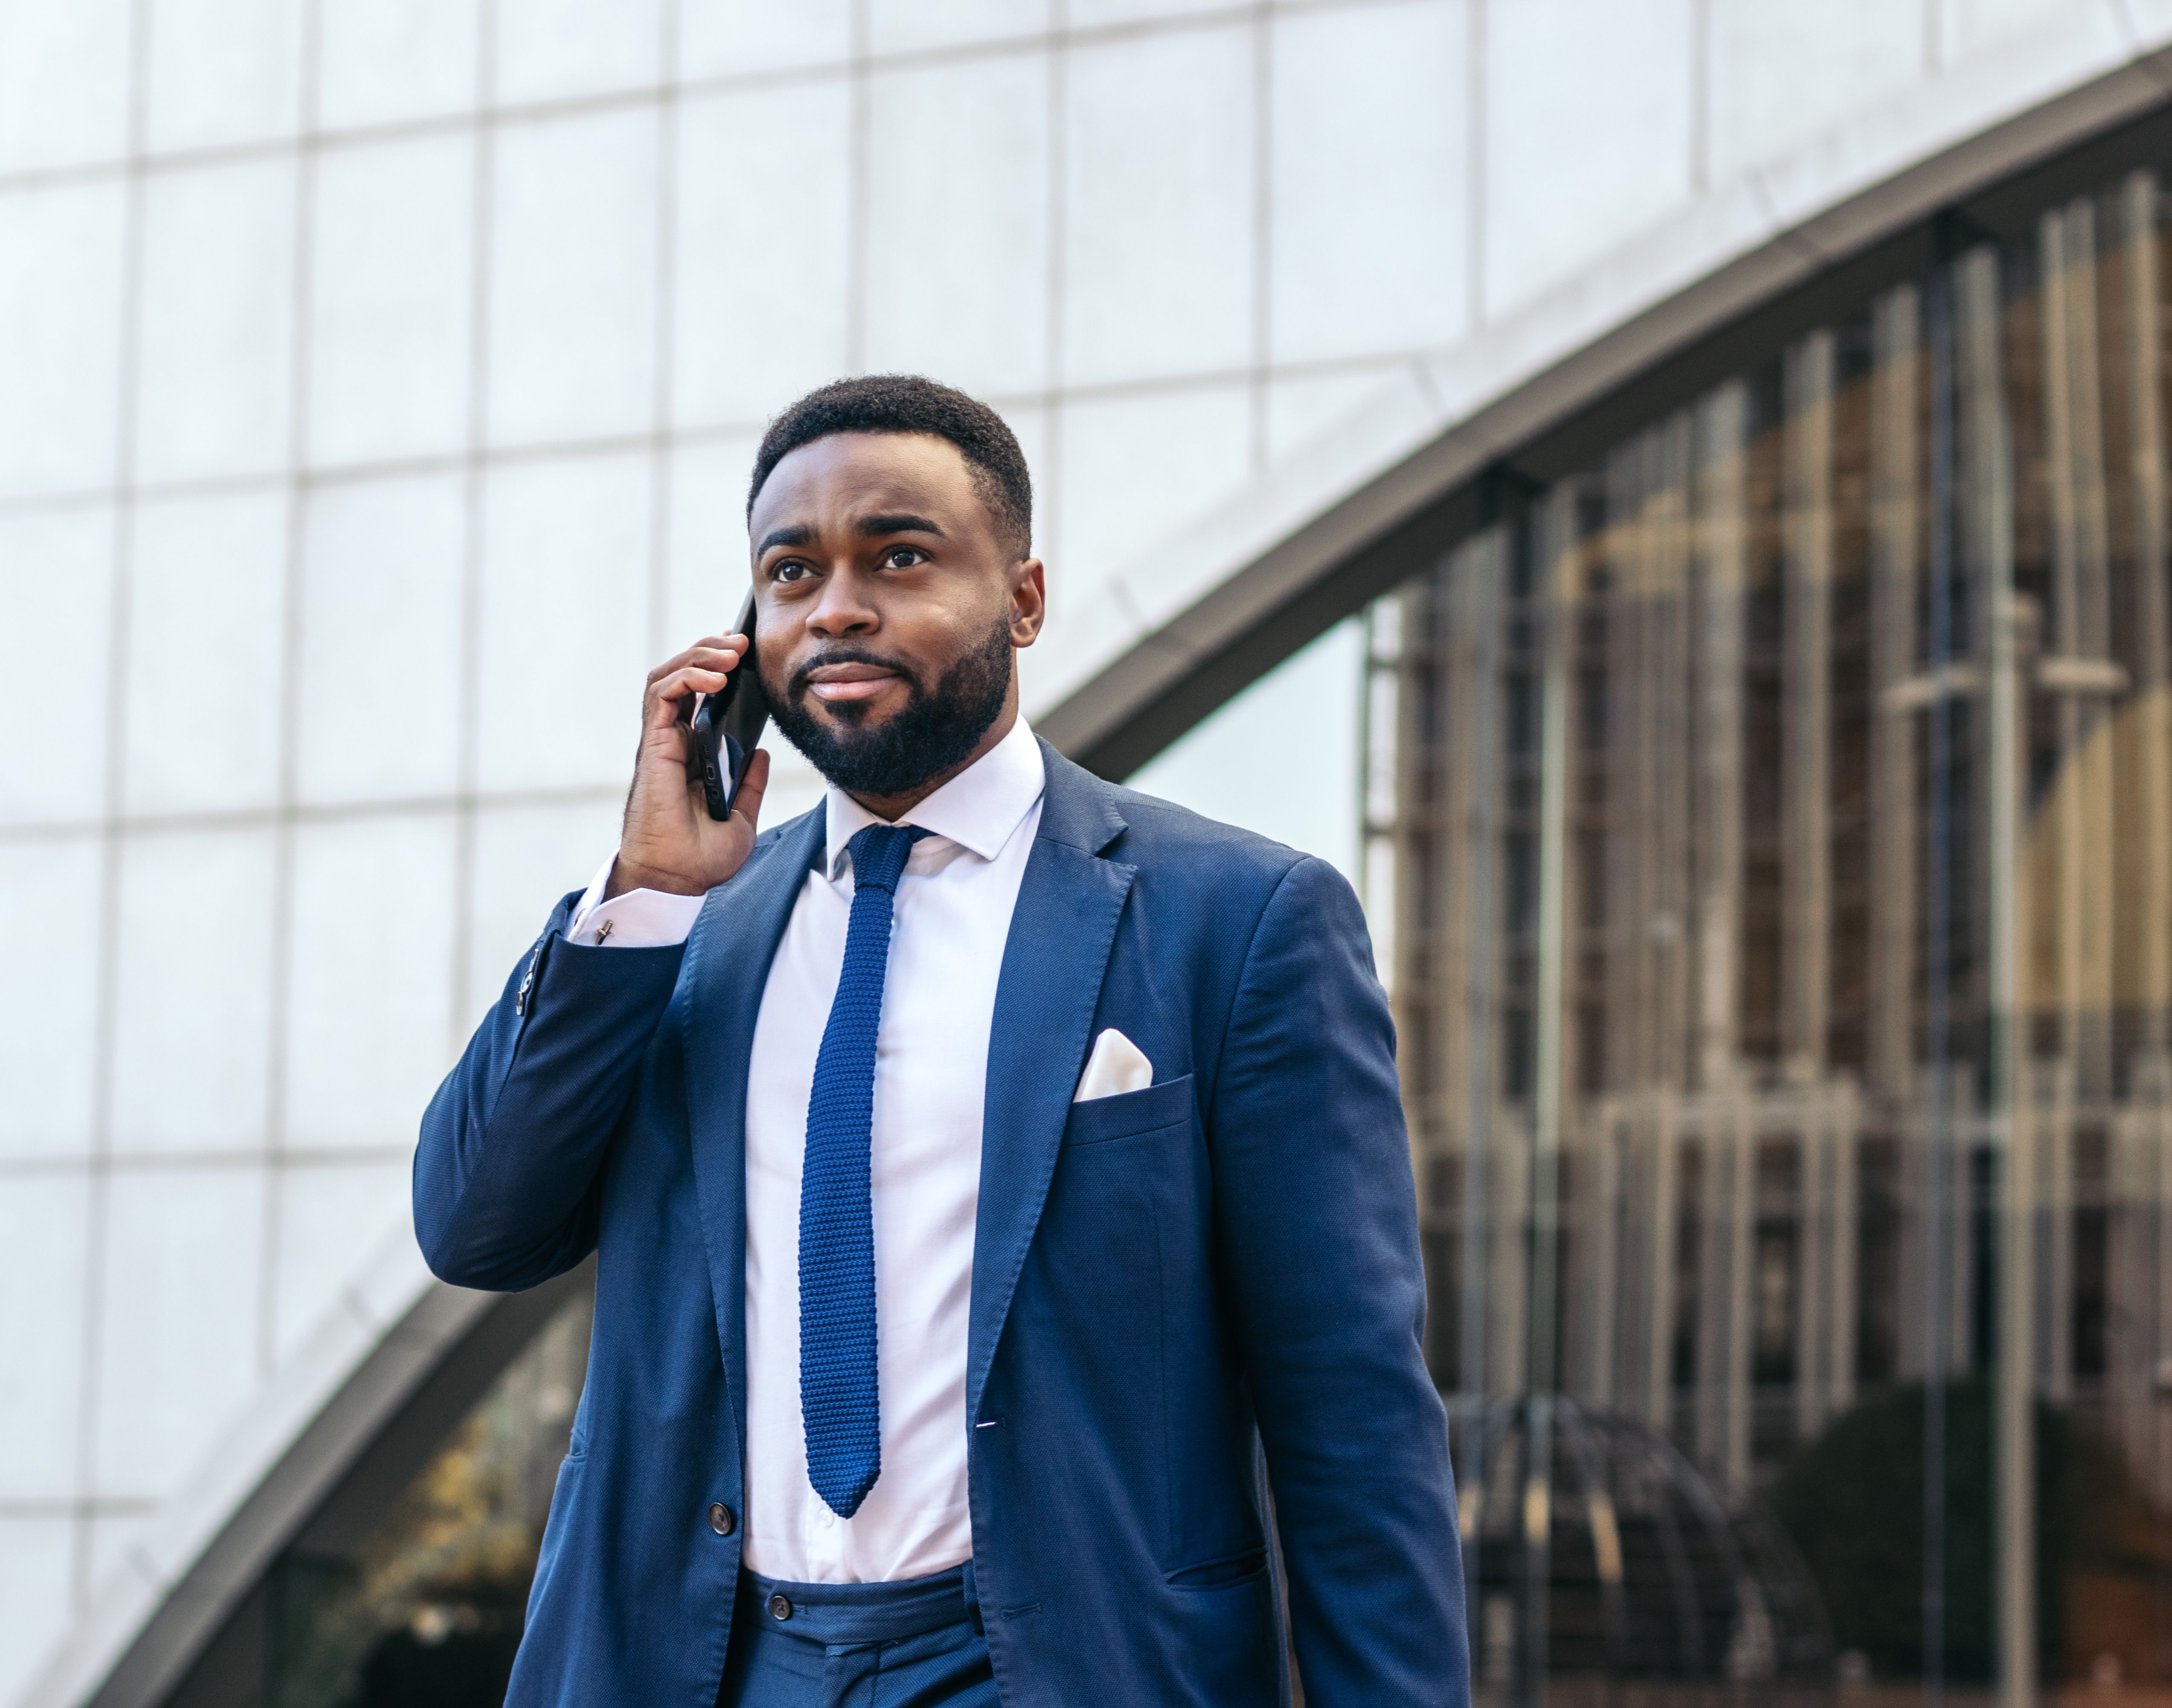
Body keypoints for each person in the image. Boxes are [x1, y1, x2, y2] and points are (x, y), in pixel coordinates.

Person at [415, 375, 1467, 1708]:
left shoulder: (1238, 921)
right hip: (709, 1665)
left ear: (1023, 598)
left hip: (1066, 1664)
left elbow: (1352, 1418)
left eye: (897, 556)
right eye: (791, 573)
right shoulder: (685, 934)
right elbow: (475, 1229)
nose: (837, 605)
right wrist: (643, 896)